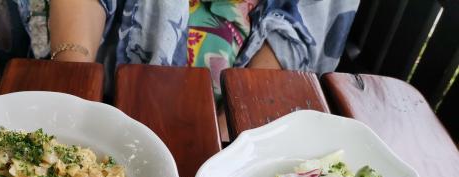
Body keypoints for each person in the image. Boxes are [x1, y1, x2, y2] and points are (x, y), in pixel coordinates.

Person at [49, 0, 360, 100]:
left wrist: (233, 135)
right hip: (109, 64)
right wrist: (74, 87)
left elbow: (307, 19)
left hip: (242, 75)